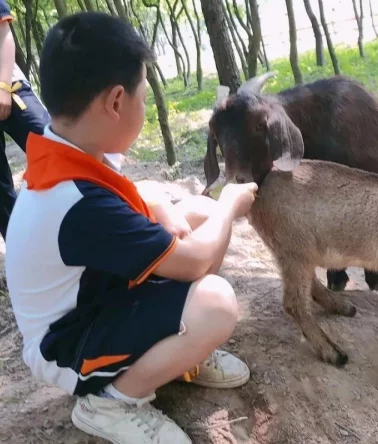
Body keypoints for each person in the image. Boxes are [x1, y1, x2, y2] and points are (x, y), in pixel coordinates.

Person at [5, 11, 258, 444]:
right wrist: (230, 204)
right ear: (116, 102)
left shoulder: (70, 147)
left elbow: (131, 194)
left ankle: (176, 357)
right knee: (215, 303)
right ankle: (111, 402)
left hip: (93, 299)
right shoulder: (74, 201)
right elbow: (195, 263)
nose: (143, 102)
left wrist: (162, 204)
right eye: (143, 94)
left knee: (191, 212)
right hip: (67, 345)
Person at [0, 0, 51, 240]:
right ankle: (24, 256)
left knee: (55, 146)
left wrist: (3, 88)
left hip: (9, 87)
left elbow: (4, 35)